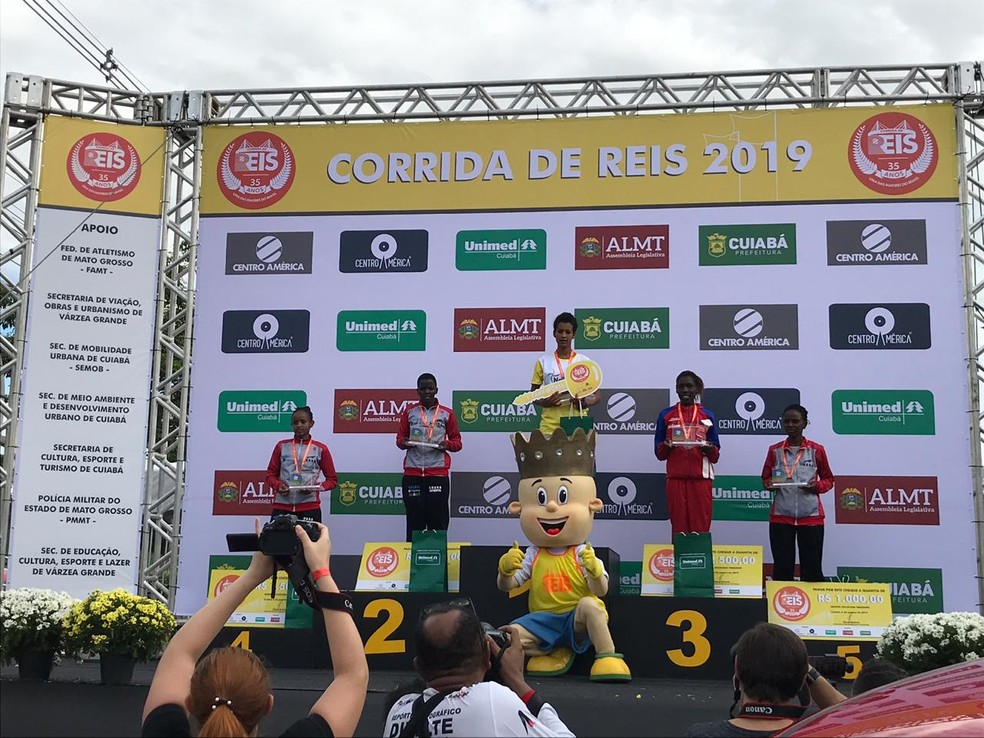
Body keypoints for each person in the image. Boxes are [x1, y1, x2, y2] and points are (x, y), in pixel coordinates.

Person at [141, 520, 368, 737]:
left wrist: (252, 576)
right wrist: (321, 571)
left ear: (190, 702)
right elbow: (352, 676)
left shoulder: (163, 731)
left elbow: (180, 651)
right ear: (268, 705)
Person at [497, 428, 631, 682]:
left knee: (591, 605)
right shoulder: (533, 554)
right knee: (510, 634)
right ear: (519, 507)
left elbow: (600, 590)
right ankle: (549, 650)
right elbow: (509, 585)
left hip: (574, 620)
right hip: (542, 623)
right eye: (540, 498)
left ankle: (608, 656)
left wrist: (593, 571)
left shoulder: (583, 552)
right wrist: (504, 571)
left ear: (593, 505)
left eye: (562, 497)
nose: (551, 506)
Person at [382, 599, 575, 737]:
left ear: (419, 667)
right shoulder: (492, 699)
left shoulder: (399, 710)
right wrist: (517, 681)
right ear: (486, 656)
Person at [685, 622, 845, 737]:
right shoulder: (819, 733)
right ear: (803, 679)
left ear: (737, 671)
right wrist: (809, 671)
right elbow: (852, 714)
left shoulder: (701, 734)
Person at [761, 404, 835, 582]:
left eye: (795, 421)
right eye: (786, 421)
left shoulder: (816, 450)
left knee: (812, 570)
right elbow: (765, 478)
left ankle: (813, 607)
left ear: (805, 423)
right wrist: (769, 485)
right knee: (782, 568)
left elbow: (829, 480)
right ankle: (782, 607)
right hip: (781, 517)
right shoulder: (774, 450)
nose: (790, 425)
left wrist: (816, 487)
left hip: (811, 517)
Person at [395, 373, 463, 542]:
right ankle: (413, 563)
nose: (427, 392)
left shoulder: (447, 414)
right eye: (423, 388)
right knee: (414, 519)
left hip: (437, 475)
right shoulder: (409, 413)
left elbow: (457, 442)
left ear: (436, 390)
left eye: (430, 388)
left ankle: (437, 561)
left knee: (438, 520)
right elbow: (399, 440)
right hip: (412, 474)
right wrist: (405, 442)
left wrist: (447, 444)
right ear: (417, 391)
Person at [654, 370, 721, 534]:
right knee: (679, 529)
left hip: (701, 480)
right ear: (676, 389)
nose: (685, 390)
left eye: (689, 386)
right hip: (675, 479)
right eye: (681, 387)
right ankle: (680, 560)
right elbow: (659, 454)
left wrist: (708, 448)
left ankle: (700, 560)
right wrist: (667, 446)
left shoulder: (707, 415)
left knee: (701, 527)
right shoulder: (666, 415)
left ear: (696, 389)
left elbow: (716, 455)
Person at [530, 312, 599, 437]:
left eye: (568, 332)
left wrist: (585, 402)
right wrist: (545, 402)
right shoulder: (543, 362)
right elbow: (533, 395)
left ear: (574, 335)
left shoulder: (584, 362)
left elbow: (597, 395)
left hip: (578, 426)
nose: (563, 336)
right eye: (560, 331)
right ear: (554, 333)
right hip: (550, 427)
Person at [266, 406, 338, 523]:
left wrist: (314, 488)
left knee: (309, 541)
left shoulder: (320, 449)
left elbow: (332, 480)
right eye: (295, 422)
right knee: (279, 541)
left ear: (311, 423)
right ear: (291, 424)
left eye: (303, 422)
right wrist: (278, 485)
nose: (299, 425)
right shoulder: (281, 446)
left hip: (310, 507)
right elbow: (270, 475)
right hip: (282, 506)